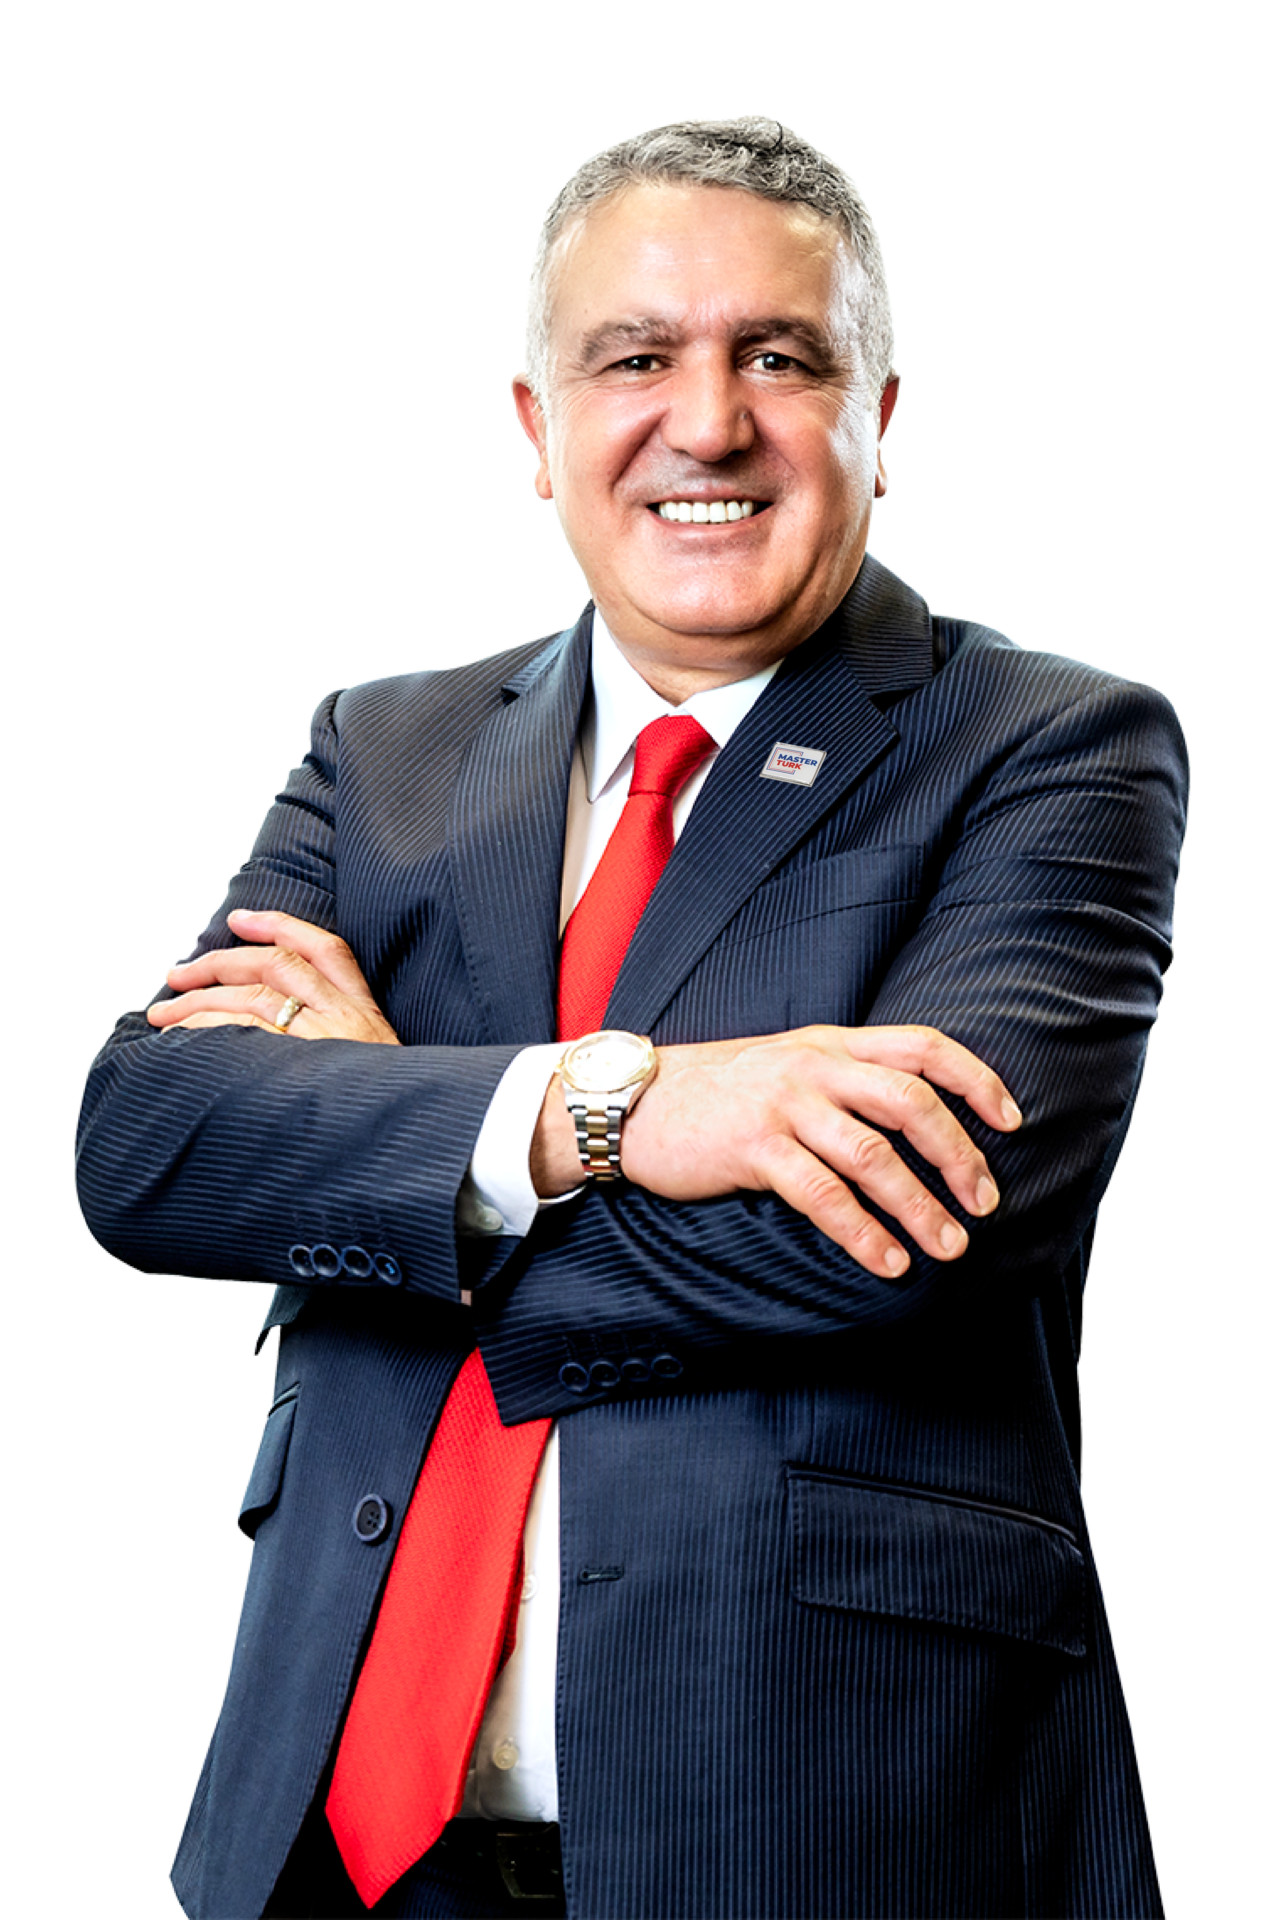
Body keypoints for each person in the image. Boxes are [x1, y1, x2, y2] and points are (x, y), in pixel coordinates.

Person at [76, 116, 1186, 1920]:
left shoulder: (1049, 746)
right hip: (327, 1836)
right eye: (637, 359)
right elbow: (148, 1146)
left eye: (779, 357)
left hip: (830, 1824)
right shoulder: (385, 750)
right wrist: (607, 1112)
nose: (709, 422)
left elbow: (898, 1234)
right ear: (537, 427)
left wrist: (395, 1151)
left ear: (880, 414)